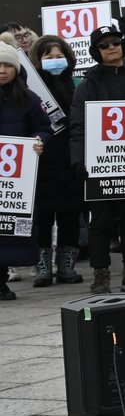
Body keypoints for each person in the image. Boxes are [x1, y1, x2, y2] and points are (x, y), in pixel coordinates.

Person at [70, 25, 125, 294]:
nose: (112, 47)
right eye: (104, 45)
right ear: (96, 52)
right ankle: (101, 276)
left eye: (115, 42)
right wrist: (78, 161)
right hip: (100, 166)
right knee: (101, 222)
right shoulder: (89, 83)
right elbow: (78, 125)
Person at [28, 35, 83, 285]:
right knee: (43, 215)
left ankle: (66, 265)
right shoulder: (30, 89)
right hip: (42, 160)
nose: (54, 60)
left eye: (58, 56)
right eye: (48, 57)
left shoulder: (78, 85)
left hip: (71, 159)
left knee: (70, 215)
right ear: (38, 61)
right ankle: (42, 266)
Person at [0, 42, 51, 299]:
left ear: (16, 69)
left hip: (16, 178)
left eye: (7, 65)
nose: (2, 70)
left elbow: (43, 127)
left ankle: (1, 279)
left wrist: (40, 141)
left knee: (9, 229)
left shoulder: (29, 99)